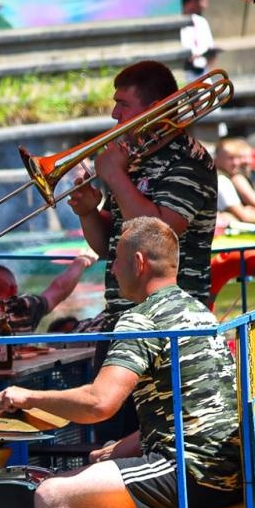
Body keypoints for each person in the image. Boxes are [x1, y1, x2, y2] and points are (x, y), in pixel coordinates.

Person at [0, 219, 243, 508]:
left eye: (115, 263)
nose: (111, 272)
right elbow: (192, 407)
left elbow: (98, 403)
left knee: (50, 497)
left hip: (192, 473)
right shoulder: (197, 310)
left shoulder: (141, 320)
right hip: (227, 469)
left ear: (139, 263)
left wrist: (27, 397)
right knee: (98, 469)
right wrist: (122, 448)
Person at [72, 60, 218, 327]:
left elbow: (158, 235)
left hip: (173, 319)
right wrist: (88, 213)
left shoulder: (189, 160)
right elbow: (109, 246)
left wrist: (115, 176)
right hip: (122, 315)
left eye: (124, 104)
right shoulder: (132, 158)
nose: (115, 114)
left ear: (153, 111)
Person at [0, 255, 96, 336]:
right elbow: (59, 289)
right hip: (16, 367)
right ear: (13, 289)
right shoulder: (23, 308)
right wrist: (81, 262)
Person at [214, 137, 255, 230]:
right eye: (230, 158)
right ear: (216, 159)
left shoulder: (243, 175)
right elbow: (244, 216)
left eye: (237, 158)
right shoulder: (221, 180)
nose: (236, 162)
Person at [180, 0, 218, 77]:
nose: (205, 4)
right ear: (193, 1)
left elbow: (211, 53)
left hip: (203, 76)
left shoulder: (201, 21)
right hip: (184, 76)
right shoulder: (175, 23)